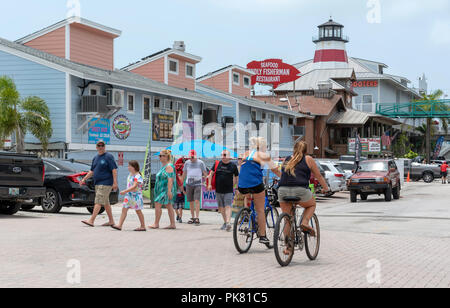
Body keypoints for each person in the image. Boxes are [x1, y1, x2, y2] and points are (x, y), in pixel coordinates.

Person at [278, 141, 329, 251]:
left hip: (282, 191)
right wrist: (326, 188)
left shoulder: (286, 159)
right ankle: (305, 222)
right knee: (311, 205)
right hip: (300, 190)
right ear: (306, 150)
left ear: (294, 149)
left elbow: (282, 174)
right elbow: (318, 175)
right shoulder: (308, 159)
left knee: (287, 219)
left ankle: (288, 247)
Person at [238, 137, 281, 245]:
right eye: (265, 146)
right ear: (262, 146)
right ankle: (262, 236)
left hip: (242, 185)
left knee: (248, 197)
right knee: (260, 210)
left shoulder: (246, 153)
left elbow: (242, 167)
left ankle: (246, 213)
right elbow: (275, 169)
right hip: (255, 184)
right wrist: (285, 177)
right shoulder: (263, 155)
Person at [81, 140, 118, 227]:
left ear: (104, 147)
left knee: (98, 201)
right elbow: (92, 171)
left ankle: (91, 220)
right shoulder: (96, 158)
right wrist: (84, 179)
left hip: (106, 183)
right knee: (106, 203)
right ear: (96, 147)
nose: (101, 147)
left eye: (102, 145)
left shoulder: (109, 157)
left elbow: (114, 169)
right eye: (99, 145)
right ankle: (111, 221)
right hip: (97, 183)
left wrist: (115, 182)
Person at [207, 150, 239, 232]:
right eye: (221, 155)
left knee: (228, 206)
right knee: (221, 208)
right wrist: (209, 184)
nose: (222, 156)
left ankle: (228, 223)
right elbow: (210, 174)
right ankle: (225, 222)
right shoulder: (217, 164)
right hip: (218, 190)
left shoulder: (233, 166)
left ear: (228, 156)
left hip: (228, 190)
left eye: (224, 155)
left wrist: (236, 187)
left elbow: (236, 177)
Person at [111, 161, 146, 231]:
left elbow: (134, 186)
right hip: (129, 196)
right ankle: (119, 225)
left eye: (130, 166)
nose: (128, 167)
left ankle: (143, 226)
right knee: (124, 209)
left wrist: (125, 191)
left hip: (136, 196)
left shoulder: (138, 176)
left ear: (134, 167)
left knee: (138, 211)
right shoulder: (130, 175)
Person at [150, 150, 177, 229]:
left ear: (166, 157)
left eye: (161, 156)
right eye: (159, 156)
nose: (159, 157)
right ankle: (172, 224)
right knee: (169, 206)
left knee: (157, 204)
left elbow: (170, 179)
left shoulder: (169, 166)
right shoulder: (164, 166)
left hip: (165, 190)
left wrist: (169, 191)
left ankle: (156, 223)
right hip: (161, 190)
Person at [182, 150, 208, 226]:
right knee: (190, 201)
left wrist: (206, 182)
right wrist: (181, 184)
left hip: (198, 184)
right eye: (190, 157)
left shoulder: (201, 163)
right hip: (188, 184)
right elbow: (184, 173)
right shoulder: (187, 163)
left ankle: (197, 217)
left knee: (197, 200)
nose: (191, 158)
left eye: (193, 157)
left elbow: (205, 173)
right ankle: (192, 217)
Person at [174, 157, 186, 223]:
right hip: (176, 194)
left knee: (181, 207)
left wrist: (184, 191)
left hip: (181, 195)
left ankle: (180, 217)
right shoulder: (175, 182)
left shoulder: (182, 176)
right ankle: (178, 215)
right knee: (175, 207)